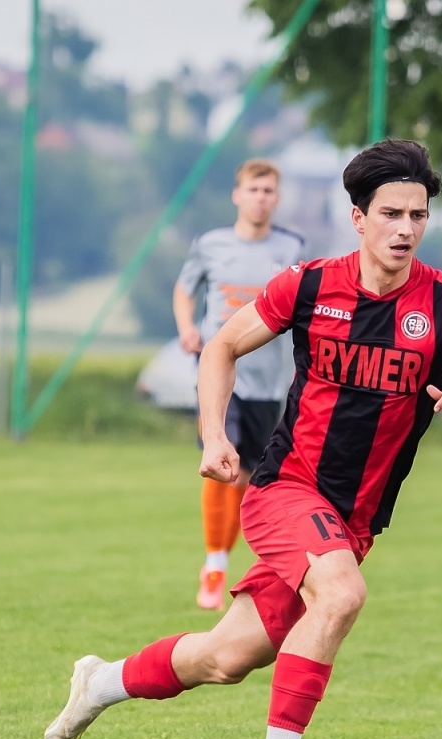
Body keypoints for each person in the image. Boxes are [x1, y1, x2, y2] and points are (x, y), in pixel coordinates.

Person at [43, 139, 442, 739]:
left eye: (418, 216)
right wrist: (214, 434)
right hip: (285, 492)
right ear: (358, 218)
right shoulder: (308, 285)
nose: (406, 229)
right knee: (342, 595)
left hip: (353, 521)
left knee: (225, 658)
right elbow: (222, 345)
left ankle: (101, 682)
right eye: (391, 214)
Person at [172, 159, 306, 610]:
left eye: (269, 190)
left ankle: (239, 563)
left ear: (277, 198)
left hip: (269, 384)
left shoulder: (290, 247)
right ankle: (213, 565)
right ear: (237, 194)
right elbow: (184, 289)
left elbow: (301, 307)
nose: (261, 197)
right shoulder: (211, 245)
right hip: (220, 377)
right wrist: (187, 327)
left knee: (249, 478)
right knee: (217, 459)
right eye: (253, 189)